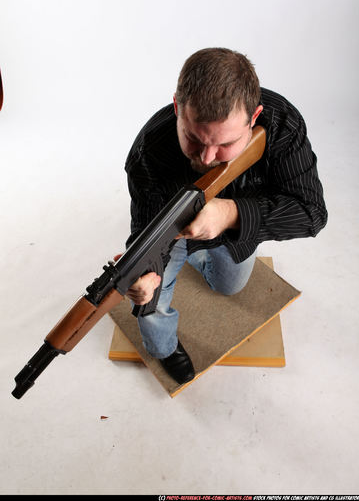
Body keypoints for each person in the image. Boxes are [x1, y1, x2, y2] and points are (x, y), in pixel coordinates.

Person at [122, 47, 327, 385]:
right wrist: (142, 276)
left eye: (226, 144)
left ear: (255, 117)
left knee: (230, 285)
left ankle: (198, 254)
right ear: (177, 108)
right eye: (193, 138)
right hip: (167, 231)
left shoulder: (282, 125)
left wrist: (231, 213)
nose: (206, 157)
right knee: (151, 300)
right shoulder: (148, 153)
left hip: (238, 228)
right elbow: (143, 227)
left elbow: (312, 213)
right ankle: (163, 348)